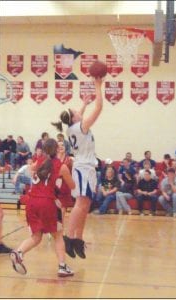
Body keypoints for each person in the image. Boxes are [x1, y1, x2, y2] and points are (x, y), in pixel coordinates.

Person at [51, 77, 104, 259]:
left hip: (86, 168)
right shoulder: (80, 127)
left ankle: (78, 239)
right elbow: (99, 109)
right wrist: (98, 86)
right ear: (75, 118)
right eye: (76, 111)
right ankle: (68, 237)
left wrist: (83, 104)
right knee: (81, 203)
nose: (79, 111)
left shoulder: (71, 128)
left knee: (86, 204)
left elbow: (76, 115)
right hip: (83, 168)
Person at [10, 139, 75, 277]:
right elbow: (72, 186)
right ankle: (62, 266)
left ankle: (18, 252)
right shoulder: (61, 166)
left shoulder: (38, 162)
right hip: (47, 203)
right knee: (58, 235)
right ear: (57, 149)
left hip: (31, 202)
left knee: (36, 236)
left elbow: (30, 168)